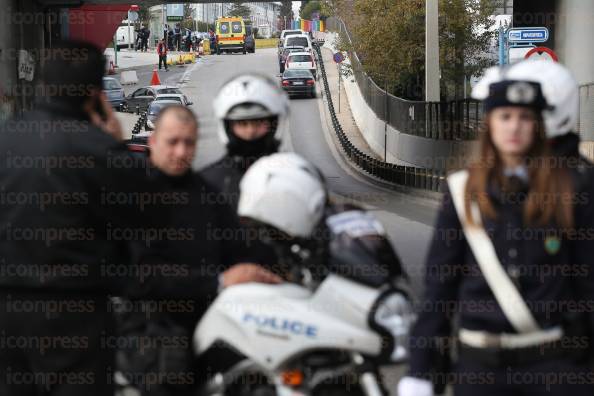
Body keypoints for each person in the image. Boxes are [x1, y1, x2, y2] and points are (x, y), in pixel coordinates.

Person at [398, 67, 594, 396]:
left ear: (538, 126)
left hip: (555, 369)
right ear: (490, 123)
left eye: (524, 117)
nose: (514, 127)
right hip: (480, 371)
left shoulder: (574, 187)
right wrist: (420, 369)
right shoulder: (461, 191)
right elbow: (439, 288)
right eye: (504, 116)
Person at [0, 40, 150, 396]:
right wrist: (116, 142)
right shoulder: (100, 150)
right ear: (97, 94)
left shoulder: (6, 139)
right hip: (74, 315)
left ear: (43, 85)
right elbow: (147, 221)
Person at [117, 105, 282, 396]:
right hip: (152, 329)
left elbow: (241, 248)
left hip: (212, 319)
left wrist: (281, 267)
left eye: (189, 143)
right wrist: (218, 282)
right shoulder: (134, 197)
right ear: (153, 142)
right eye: (172, 142)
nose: (181, 152)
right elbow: (143, 276)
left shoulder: (204, 193)